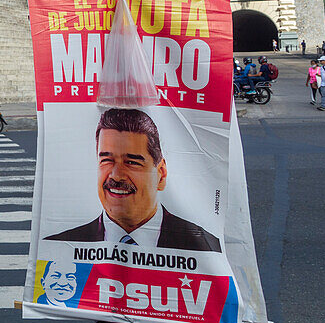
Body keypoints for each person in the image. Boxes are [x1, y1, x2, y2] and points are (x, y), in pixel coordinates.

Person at [45, 108, 222, 252]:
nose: (116, 175)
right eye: (106, 160)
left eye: (131, 162)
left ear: (161, 173)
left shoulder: (205, 249)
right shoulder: (59, 246)